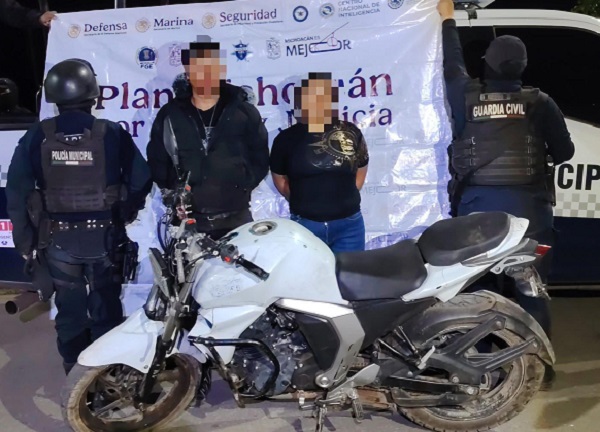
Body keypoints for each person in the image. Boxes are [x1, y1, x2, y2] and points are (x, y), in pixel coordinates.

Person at [437, 0, 575, 389]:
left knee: (478, 290)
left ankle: (480, 369)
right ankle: (539, 372)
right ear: (522, 67)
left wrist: (447, 21)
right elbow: (565, 152)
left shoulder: (464, 96)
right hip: (531, 214)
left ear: (487, 65)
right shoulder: (540, 102)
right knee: (531, 289)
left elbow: (451, 64)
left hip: (477, 215)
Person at [6, 58, 152, 374]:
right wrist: (126, 210)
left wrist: (26, 243)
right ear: (93, 94)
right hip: (105, 238)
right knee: (106, 311)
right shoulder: (111, 133)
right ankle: (107, 378)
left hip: (57, 241)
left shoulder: (37, 135)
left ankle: (74, 376)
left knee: (70, 313)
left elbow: (16, 192)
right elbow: (141, 179)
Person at [147, 37, 269, 239]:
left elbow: (260, 157)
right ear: (188, 73)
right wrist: (175, 191)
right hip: (188, 222)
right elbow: (157, 159)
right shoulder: (170, 114)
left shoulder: (244, 112)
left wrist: (241, 185)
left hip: (236, 219)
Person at [270, 72, 369, 253]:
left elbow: (360, 171)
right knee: (308, 273)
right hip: (305, 226)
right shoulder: (285, 139)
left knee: (350, 272)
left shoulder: (351, 132)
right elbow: (281, 181)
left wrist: (339, 201)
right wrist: (306, 203)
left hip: (349, 228)